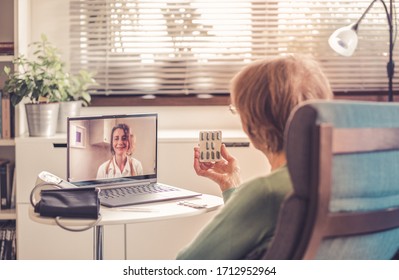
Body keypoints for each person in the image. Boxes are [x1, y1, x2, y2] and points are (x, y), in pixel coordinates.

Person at [176, 54, 333, 259]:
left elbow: (188, 264)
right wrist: (231, 186)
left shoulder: (266, 193)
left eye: (238, 110)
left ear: (254, 123)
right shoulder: (343, 177)